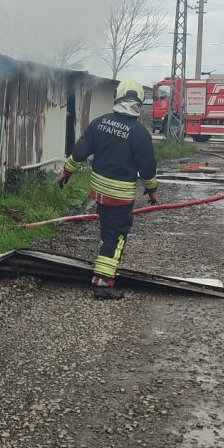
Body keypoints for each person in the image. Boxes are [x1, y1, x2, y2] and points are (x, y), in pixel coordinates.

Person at [57, 79, 158, 300]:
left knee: (107, 231)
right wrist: (152, 189)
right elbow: (147, 167)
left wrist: (66, 171)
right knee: (116, 236)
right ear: (139, 102)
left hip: (99, 192)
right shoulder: (139, 133)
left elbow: (80, 151)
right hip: (120, 196)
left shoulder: (99, 123)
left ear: (117, 97)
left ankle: (102, 273)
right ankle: (103, 284)